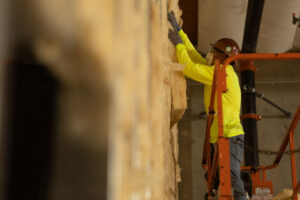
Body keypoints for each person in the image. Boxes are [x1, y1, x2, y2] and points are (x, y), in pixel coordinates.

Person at [167, 11, 247, 200]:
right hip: (220, 135)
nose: (210, 54)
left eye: (214, 52)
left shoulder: (223, 73)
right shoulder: (217, 71)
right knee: (220, 182)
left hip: (229, 135)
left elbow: (189, 67)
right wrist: (180, 32)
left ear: (222, 56)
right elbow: (195, 58)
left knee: (231, 179)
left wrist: (178, 44)